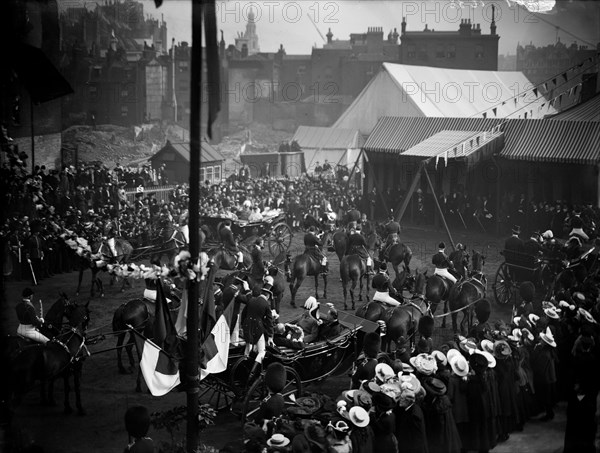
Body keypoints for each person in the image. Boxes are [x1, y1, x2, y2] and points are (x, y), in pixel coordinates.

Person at [241, 285, 275, 382]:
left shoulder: (251, 300)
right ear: (268, 295)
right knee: (261, 352)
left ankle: (244, 369)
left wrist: (243, 326)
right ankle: (252, 374)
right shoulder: (266, 304)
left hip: (247, 326)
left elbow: (243, 314)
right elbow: (269, 322)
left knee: (248, 349)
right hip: (257, 328)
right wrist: (270, 336)